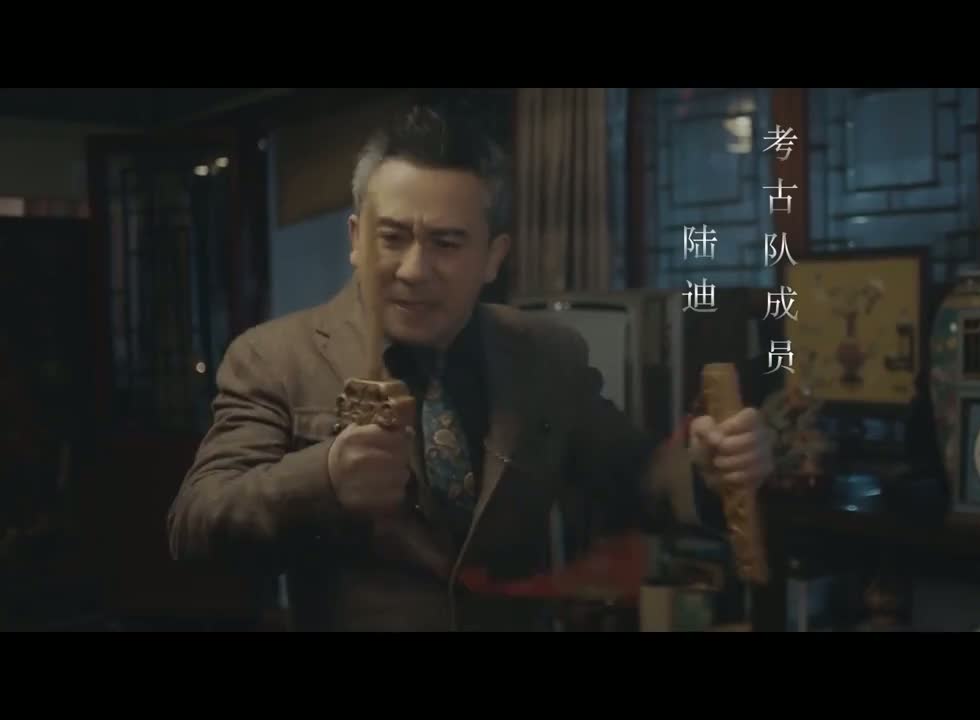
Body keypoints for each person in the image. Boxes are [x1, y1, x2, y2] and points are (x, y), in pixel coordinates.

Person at [166, 104, 775, 631]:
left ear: (493, 257)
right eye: (392, 237)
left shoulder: (544, 355)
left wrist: (706, 466)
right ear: (355, 238)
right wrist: (322, 479)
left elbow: (634, 472)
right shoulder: (274, 356)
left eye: (447, 243)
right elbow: (194, 525)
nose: (413, 269)